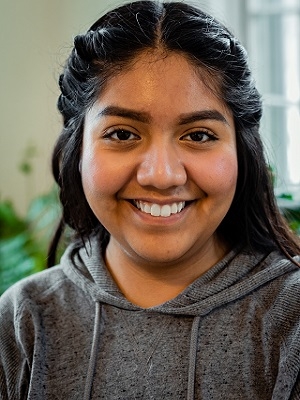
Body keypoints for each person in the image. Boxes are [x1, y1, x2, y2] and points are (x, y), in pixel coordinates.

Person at [1, 1, 300, 399]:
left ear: (241, 152)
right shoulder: (23, 322)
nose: (162, 176)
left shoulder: (292, 319)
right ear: (78, 149)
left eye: (198, 135)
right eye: (123, 134)